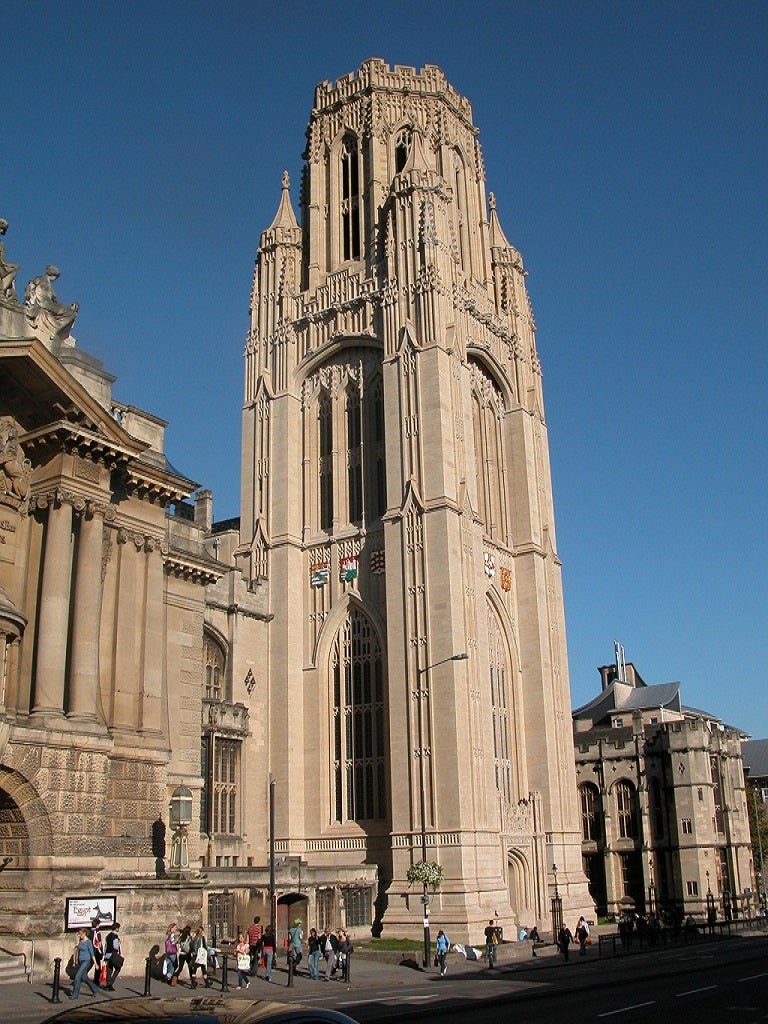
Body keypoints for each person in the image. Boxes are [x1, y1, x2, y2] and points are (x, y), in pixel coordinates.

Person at [70, 928, 100, 999]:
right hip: (81, 961)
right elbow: (77, 950)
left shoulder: (88, 942)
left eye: (80, 934)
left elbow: (92, 953)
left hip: (87, 961)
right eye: (79, 934)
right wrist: (75, 961)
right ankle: (95, 989)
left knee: (77, 977)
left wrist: (96, 963)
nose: (79, 936)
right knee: (84, 977)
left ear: (84, 933)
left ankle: (75, 995)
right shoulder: (80, 941)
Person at [104, 922, 124, 990]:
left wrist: (105, 955)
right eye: (118, 928)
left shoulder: (108, 936)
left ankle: (107, 984)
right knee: (118, 968)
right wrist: (119, 942)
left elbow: (106, 946)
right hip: (113, 954)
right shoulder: (115, 936)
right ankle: (110, 983)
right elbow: (115, 947)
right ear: (116, 928)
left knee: (109, 969)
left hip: (108, 954)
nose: (118, 929)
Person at [89, 919, 104, 986]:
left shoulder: (89, 932)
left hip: (89, 950)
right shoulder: (97, 933)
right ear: (97, 925)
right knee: (97, 967)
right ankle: (96, 981)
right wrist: (102, 951)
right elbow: (99, 943)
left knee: (88, 965)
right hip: (96, 951)